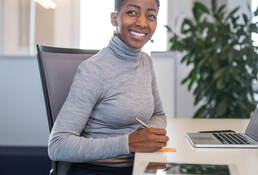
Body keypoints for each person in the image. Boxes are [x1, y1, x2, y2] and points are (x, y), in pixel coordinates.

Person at [47, 0, 168, 174]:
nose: (142, 23)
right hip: (100, 170)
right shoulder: (93, 70)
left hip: (139, 166)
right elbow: (58, 145)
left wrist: (147, 137)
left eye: (150, 15)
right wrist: (129, 143)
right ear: (114, 18)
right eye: (132, 12)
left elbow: (159, 115)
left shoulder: (145, 61)